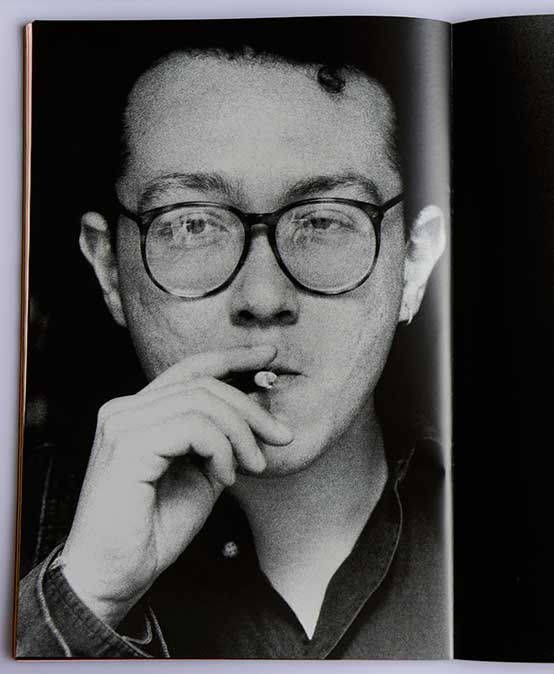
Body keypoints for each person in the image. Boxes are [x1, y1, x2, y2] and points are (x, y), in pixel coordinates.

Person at [16, 25, 448, 659]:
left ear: (414, 261)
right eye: (192, 223)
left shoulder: (553, 548)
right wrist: (82, 601)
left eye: (324, 220)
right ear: (108, 267)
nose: (264, 297)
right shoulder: (22, 528)